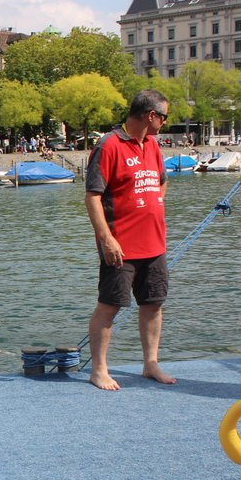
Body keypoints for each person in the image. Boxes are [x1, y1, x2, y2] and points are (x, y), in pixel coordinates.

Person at [84, 89, 175, 390]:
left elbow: (162, 181)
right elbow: (93, 197)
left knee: (153, 304)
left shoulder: (152, 145)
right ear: (151, 115)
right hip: (120, 245)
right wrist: (106, 238)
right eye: (164, 116)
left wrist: (154, 205)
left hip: (154, 243)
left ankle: (150, 364)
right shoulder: (109, 145)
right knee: (110, 305)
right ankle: (99, 369)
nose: (164, 122)